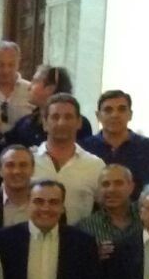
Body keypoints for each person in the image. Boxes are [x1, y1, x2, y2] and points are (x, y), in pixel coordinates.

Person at [31, 95, 106, 225]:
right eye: (55, 117)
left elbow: (105, 210)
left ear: (79, 123)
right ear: (44, 123)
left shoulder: (95, 166)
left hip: (77, 242)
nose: (61, 122)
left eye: (68, 117)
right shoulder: (27, 162)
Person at [85, 90, 149, 192]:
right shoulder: (84, 148)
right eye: (108, 110)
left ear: (130, 114)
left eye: (122, 109)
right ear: (98, 116)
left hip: (139, 208)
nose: (115, 115)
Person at [4, 64, 92, 150]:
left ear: (50, 88)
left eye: (35, 82)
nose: (29, 87)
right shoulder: (25, 123)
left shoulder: (79, 124)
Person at [77, 164, 143, 259]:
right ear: (99, 189)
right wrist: (93, 257)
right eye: (105, 184)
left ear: (131, 187)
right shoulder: (85, 227)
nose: (111, 189)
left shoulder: (146, 218)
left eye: (118, 183)